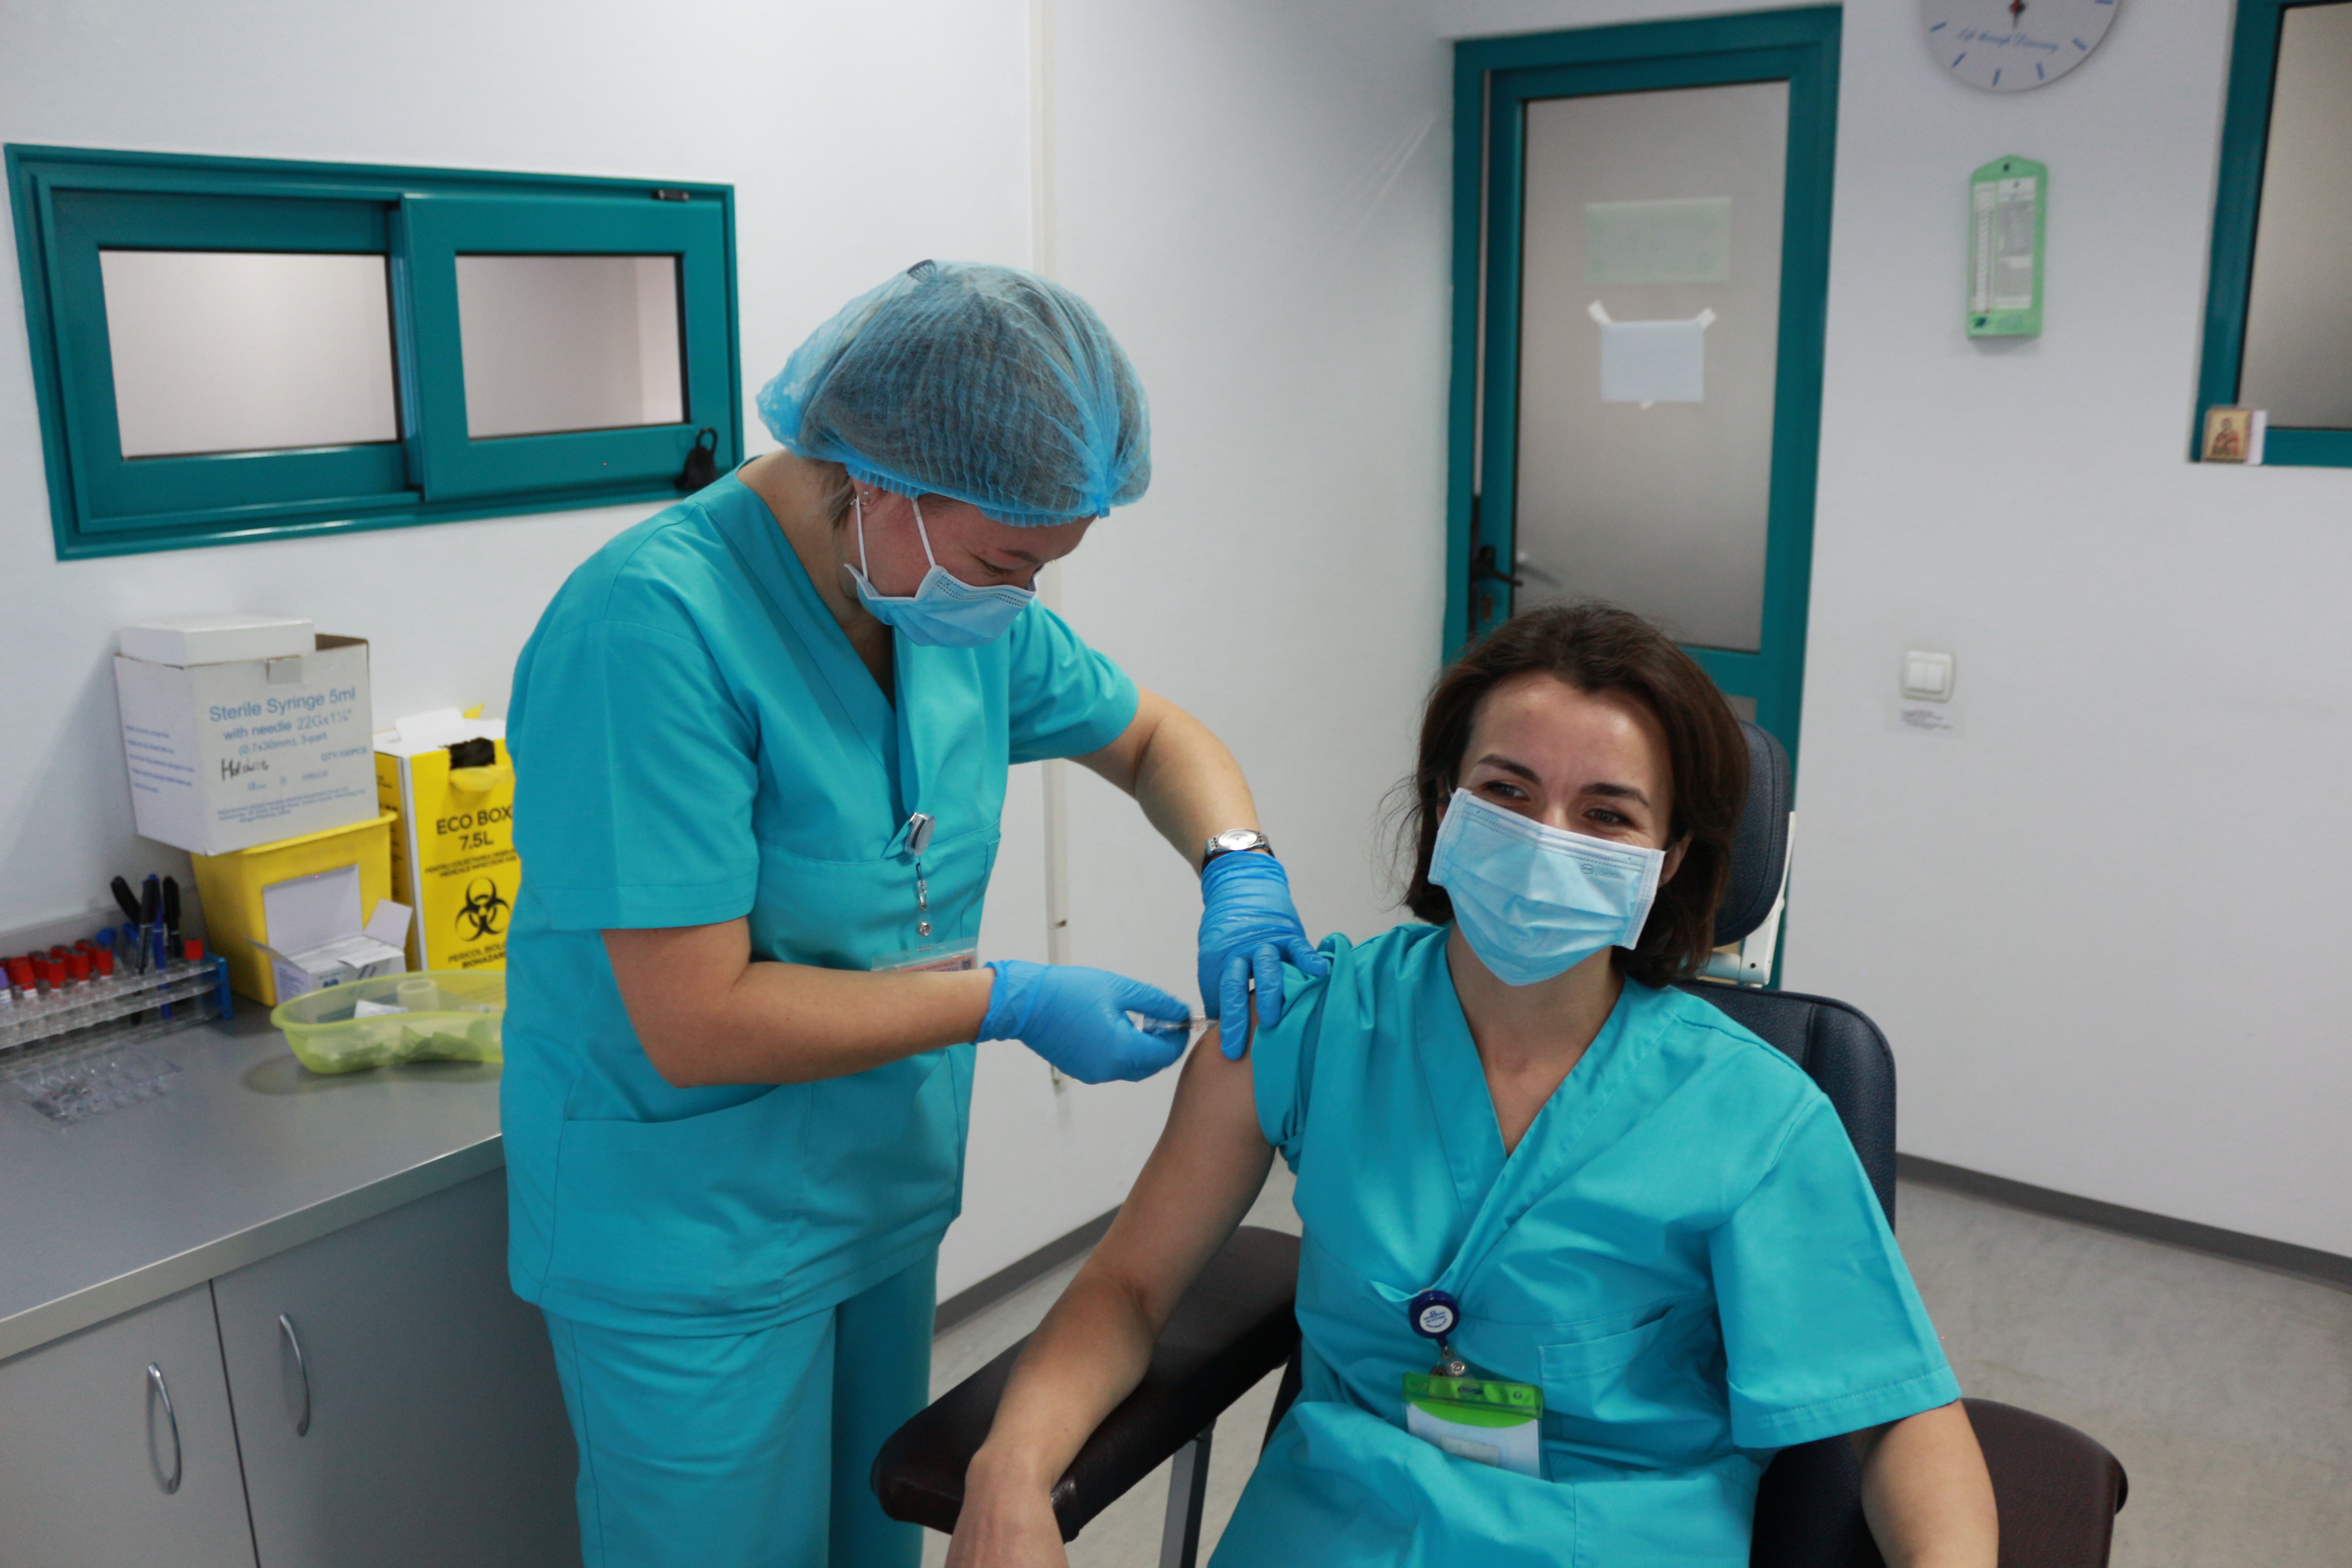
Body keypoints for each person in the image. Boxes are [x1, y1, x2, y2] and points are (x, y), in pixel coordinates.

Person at [499, 260, 1327, 1568]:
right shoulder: (651, 629)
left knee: (867, 1544)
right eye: (1009, 560)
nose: (1022, 597)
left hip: (875, 1193)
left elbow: (1157, 738)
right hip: (687, 1233)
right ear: (875, 479)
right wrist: (1009, 1001)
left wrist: (1238, 866)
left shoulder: (948, 603)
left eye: (1046, 566)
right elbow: (697, 1022)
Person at [950, 603, 2000, 1567]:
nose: (1547, 840)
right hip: (1337, 1531)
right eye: (1508, 792)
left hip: (1616, 1537)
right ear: (1444, 803)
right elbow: (1126, 1289)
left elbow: (1899, 1420)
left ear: (1670, 859)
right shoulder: (1305, 1026)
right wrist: (1010, 1476)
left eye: (1607, 815)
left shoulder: (1752, 1112)